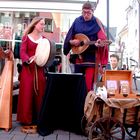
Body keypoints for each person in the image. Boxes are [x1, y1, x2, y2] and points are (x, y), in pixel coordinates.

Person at [63, 1, 109, 92]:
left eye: (89, 13)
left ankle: (88, 104)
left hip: (91, 59)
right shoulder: (77, 21)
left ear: (92, 12)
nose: (86, 15)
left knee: (88, 86)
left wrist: (99, 42)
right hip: (78, 57)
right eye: (84, 12)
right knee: (77, 84)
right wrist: (72, 42)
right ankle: (78, 105)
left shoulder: (97, 23)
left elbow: (103, 39)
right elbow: (69, 37)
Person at [17, 17, 47, 132]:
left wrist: (42, 59)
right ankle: (26, 119)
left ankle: (38, 117)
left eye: (44, 24)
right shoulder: (26, 38)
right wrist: (28, 59)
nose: (43, 26)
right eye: (41, 24)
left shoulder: (44, 40)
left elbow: (47, 53)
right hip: (28, 69)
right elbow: (22, 52)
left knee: (40, 91)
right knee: (27, 92)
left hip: (39, 69)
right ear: (35, 25)